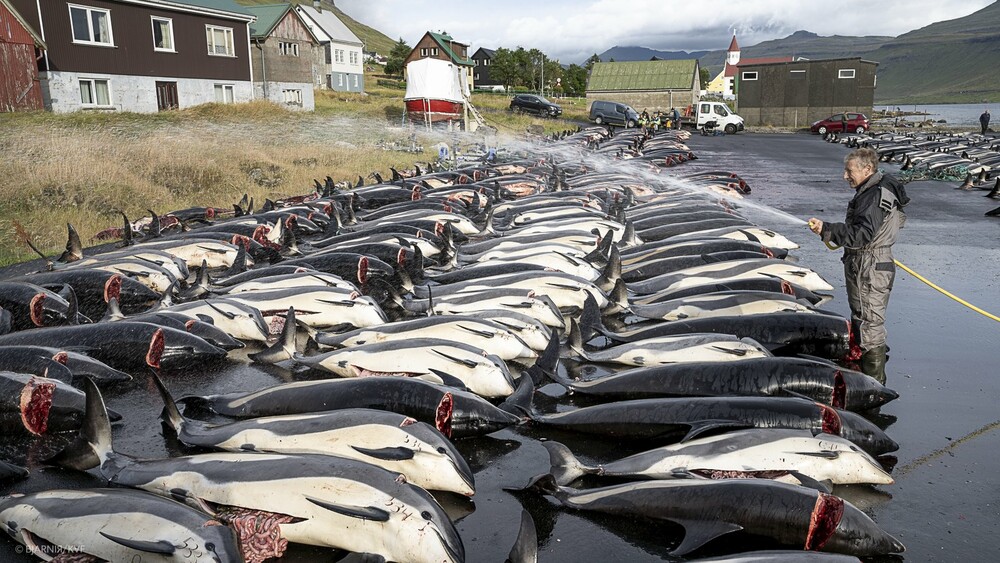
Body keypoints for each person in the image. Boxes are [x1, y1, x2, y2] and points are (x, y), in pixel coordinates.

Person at [808, 148, 910, 384]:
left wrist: (827, 228)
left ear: (867, 169)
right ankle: (866, 375)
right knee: (864, 319)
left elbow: (861, 235)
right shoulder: (873, 190)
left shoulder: (874, 196)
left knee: (870, 324)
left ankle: (873, 388)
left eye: (849, 170)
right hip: (866, 262)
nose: (845, 176)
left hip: (869, 265)